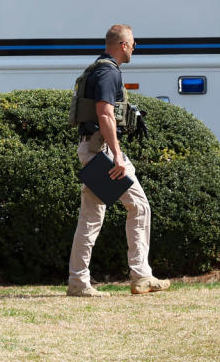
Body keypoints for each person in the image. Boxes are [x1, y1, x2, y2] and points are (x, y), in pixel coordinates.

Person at [67, 24, 170, 297]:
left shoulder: (99, 68)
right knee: (139, 206)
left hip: (92, 149)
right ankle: (141, 275)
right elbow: (105, 114)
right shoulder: (108, 71)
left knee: (90, 218)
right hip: (102, 151)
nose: (135, 48)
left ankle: (78, 281)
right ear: (123, 45)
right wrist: (117, 156)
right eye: (133, 43)